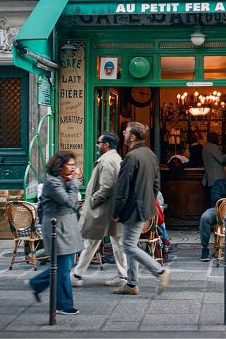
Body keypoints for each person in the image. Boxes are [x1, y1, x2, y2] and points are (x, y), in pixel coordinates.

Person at [112, 122, 171, 295]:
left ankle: (159, 272)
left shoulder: (131, 157)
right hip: (144, 207)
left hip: (131, 208)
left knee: (128, 245)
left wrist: (116, 211)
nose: (123, 134)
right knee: (132, 243)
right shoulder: (150, 155)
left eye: (126, 132)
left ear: (132, 137)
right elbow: (156, 184)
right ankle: (131, 284)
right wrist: (149, 200)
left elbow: (122, 188)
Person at [26, 151, 84, 315]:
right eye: (70, 165)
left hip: (66, 227)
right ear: (60, 166)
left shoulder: (62, 180)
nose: (74, 168)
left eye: (74, 165)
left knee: (60, 266)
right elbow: (70, 202)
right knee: (63, 268)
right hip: (57, 229)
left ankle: (37, 283)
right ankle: (63, 305)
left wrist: (71, 181)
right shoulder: (52, 182)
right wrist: (74, 182)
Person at [71, 132, 128, 288]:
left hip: (103, 210)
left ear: (106, 145)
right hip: (108, 209)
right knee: (113, 242)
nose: (97, 145)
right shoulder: (113, 158)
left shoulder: (108, 160)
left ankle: (77, 274)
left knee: (93, 241)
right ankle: (122, 275)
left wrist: (91, 202)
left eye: (99, 142)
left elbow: (106, 187)